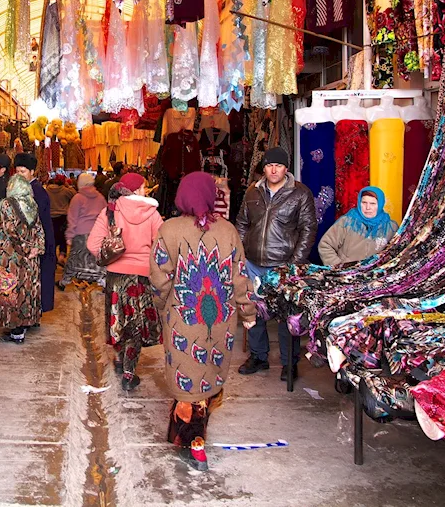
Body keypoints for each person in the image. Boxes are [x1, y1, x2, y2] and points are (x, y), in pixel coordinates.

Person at [149, 172, 258, 471]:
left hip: (183, 317)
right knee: (208, 372)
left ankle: (192, 439)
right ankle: (189, 436)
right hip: (219, 318)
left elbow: (160, 277)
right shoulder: (228, 231)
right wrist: (247, 312)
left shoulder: (168, 229)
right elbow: (239, 276)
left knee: (187, 372)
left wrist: (163, 307)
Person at [235, 147, 318, 383]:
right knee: (254, 312)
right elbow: (242, 222)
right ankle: (258, 357)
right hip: (253, 263)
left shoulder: (300, 193)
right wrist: (241, 253)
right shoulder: (253, 191)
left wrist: (295, 263)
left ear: (286, 168)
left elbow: (308, 229)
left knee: (286, 317)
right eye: (270, 165)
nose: (273, 169)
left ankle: (289, 363)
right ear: (264, 168)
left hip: (283, 264)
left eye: (278, 166)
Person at [87, 173, 163, 391]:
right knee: (136, 325)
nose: (146, 191)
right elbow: (161, 246)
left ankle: (121, 359)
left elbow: (93, 245)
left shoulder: (110, 211)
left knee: (119, 320)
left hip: (116, 277)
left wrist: (112, 255)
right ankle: (129, 373)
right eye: (144, 187)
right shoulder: (152, 213)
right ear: (137, 189)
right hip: (141, 277)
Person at [0, 175, 46, 344]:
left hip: (13, 257)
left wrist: (23, 250)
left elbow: (10, 231)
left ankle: (16, 331)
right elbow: (39, 228)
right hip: (30, 257)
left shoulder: (7, 204)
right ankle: (26, 323)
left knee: (13, 290)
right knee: (27, 290)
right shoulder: (32, 203)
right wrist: (36, 248)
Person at [14, 153, 57, 314]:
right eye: (17, 172)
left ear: (32, 172)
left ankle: (32, 313)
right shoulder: (25, 190)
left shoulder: (37, 192)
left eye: (23, 172)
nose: (19, 175)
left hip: (38, 243)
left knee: (35, 281)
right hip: (32, 242)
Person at [318, 187, 398, 266]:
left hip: (376, 275)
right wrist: (339, 267)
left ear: (380, 204)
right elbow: (325, 245)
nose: (368, 207)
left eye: (372, 204)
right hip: (346, 275)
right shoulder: (346, 222)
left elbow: (397, 253)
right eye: (364, 203)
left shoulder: (391, 227)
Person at [61, 173, 107, 286]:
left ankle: (66, 280)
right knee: (96, 258)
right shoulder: (100, 197)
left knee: (76, 258)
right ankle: (100, 279)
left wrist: (69, 235)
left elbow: (72, 218)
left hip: (80, 234)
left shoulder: (77, 198)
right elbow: (106, 215)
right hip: (97, 233)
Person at [46, 174, 75, 261]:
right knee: (62, 236)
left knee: (53, 236)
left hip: (51, 216)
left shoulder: (47, 190)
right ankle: (62, 254)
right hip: (63, 216)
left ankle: (53, 255)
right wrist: (68, 186)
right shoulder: (65, 190)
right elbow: (74, 195)